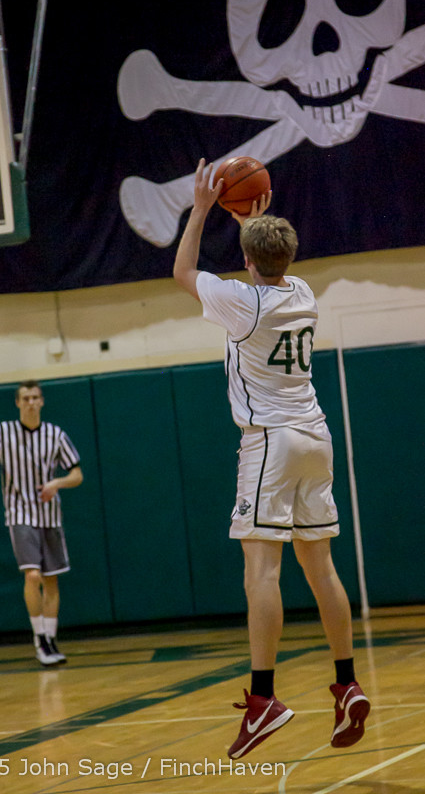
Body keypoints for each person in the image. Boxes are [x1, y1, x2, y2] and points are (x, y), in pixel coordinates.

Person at [173, 158, 370, 759]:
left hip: (271, 443)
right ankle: (347, 683)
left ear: (247, 260)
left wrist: (204, 208)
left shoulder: (243, 303)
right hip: (316, 437)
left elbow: (182, 270)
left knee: (260, 572)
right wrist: (251, 222)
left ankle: (264, 699)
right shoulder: (302, 292)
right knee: (321, 569)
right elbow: (267, 259)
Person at [0, 380, 83, 667]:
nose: (30, 403)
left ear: (42, 401)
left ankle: (51, 639)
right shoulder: (2, 432)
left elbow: (77, 474)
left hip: (50, 515)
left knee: (51, 580)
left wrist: (56, 483)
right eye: (25, 398)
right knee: (33, 576)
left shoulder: (55, 435)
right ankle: (39, 638)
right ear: (17, 403)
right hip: (20, 514)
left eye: (35, 397)